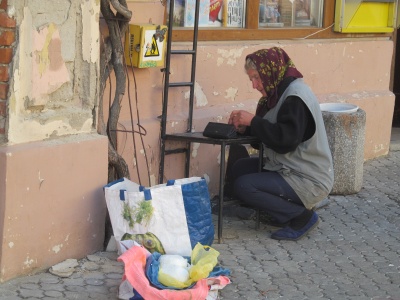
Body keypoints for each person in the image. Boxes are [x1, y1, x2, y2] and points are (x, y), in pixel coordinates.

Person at [228, 47, 334, 241]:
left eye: (256, 78)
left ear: (271, 72)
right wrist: (247, 128)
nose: (254, 85)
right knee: (240, 168)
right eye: (251, 79)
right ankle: (277, 210)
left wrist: (253, 122)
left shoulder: (295, 97)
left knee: (244, 186)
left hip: (308, 177)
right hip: (288, 167)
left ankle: (301, 217)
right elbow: (272, 134)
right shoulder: (277, 94)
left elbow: (285, 141)